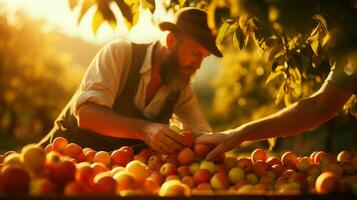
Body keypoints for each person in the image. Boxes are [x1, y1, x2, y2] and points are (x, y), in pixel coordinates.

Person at [40, 7, 222, 154]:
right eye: (195, 53)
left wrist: (231, 138)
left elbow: (202, 134)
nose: (197, 65)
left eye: (203, 58)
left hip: (114, 180)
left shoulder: (181, 89)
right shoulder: (121, 54)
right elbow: (87, 115)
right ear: (171, 40)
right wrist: (145, 129)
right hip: (62, 163)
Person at [196, 53, 357, 160]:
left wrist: (239, 134)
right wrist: (239, 133)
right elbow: (319, 106)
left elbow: (318, 106)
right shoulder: (351, 50)